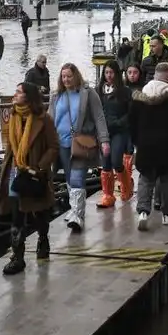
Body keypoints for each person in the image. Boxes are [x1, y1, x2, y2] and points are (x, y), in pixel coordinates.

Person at [0, 82, 59, 275]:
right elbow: (8, 143)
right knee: (17, 215)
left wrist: (40, 166)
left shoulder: (44, 119)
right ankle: (18, 257)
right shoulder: (12, 115)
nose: (14, 95)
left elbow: (53, 147)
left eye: (18, 92)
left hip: (35, 174)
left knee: (39, 213)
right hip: (17, 171)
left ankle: (43, 239)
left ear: (29, 97)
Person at [128, 62, 168, 230]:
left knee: (145, 179)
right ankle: (167, 214)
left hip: (145, 146)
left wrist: (137, 140)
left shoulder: (138, 97)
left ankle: (143, 212)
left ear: (154, 76)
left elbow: (130, 123)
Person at [49, 63, 110, 232]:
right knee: (69, 177)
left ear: (76, 75)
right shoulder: (56, 95)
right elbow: (49, 118)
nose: (66, 79)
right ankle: (73, 209)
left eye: (69, 76)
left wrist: (104, 140)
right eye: (63, 76)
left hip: (82, 141)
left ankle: (78, 215)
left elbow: (99, 117)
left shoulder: (88, 93)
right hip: (61, 143)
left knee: (77, 177)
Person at [95, 60, 134, 208]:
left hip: (119, 131)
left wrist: (119, 123)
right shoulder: (98, 90)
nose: (108, 75)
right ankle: (108, 195)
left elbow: (130, 113)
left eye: (111, 72)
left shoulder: (125, 91)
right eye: (106, 73)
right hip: (104, 132)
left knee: (117, 161)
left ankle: (126, 186)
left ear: (116, 74)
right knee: (105, 164)